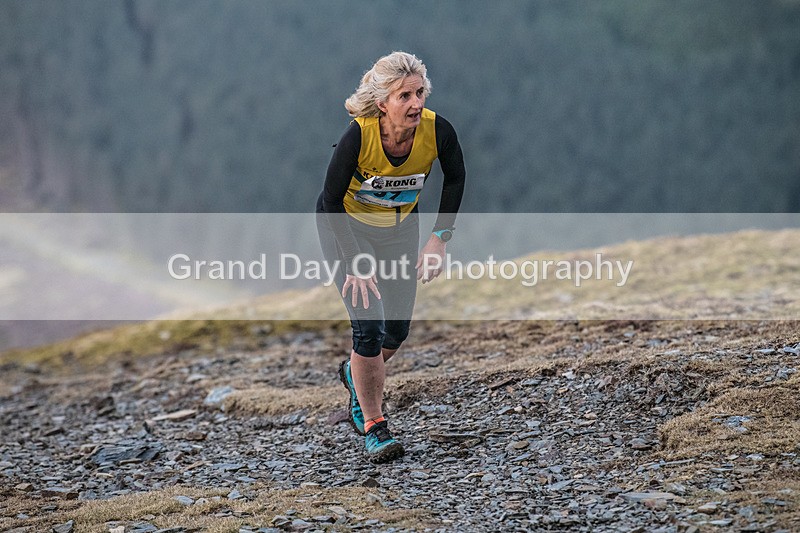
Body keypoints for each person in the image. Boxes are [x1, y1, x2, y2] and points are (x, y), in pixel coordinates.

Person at [316, 51, 466, 463]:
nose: (416, 103)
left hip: (399, 230)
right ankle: (374, 426)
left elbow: (455, 177)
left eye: (420, 93)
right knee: (368, 328)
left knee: (395, 332)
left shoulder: (438, 131)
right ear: (382, 103)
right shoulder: (358, 136)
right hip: (347, 229)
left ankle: (356, 374)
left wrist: (439, 238)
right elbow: (331, 201)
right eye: (405, 96)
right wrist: (354, 262)